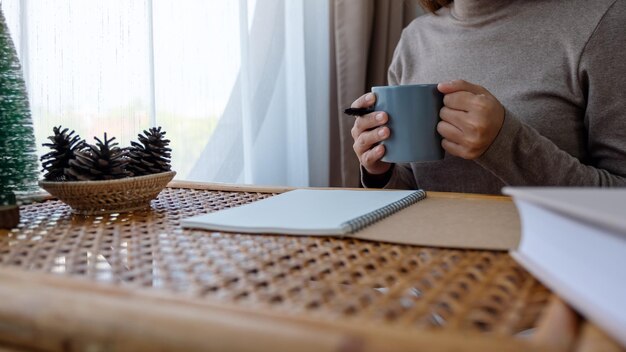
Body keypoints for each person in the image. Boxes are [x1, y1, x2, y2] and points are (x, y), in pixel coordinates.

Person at [350, 0, 626, 194]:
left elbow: (618, 198)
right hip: (431, 268)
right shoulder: (415, 38)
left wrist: (504, 142)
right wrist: (380, 172)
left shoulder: (604, 22)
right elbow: (415, 187)